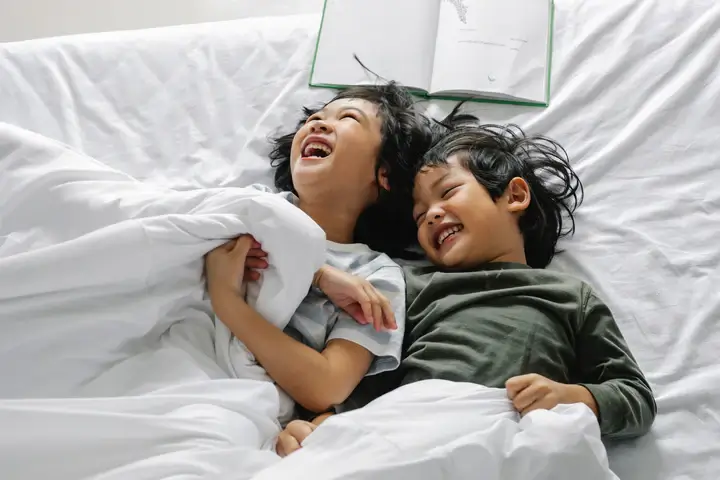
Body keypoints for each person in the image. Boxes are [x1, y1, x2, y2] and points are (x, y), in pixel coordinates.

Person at [275, 113, 657, 456]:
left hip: (512, 430)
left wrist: (571, 396)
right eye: (420, 215)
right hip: (413, 430)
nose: (431, 215)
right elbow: (372, 379)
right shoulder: (408, 286)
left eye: (448, 192)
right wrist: (321, 424)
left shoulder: (568, 296)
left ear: (515, 195)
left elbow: (634, 396)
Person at [204, 84, 432, 425]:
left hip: (233, 398)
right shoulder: (258, 205)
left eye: (348, 118)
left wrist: (227, 301)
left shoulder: (373, 277)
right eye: (314, 118)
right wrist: (317, 274)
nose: (318, 123)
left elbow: (327, 386)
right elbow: (182, 229)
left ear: (384, 174)